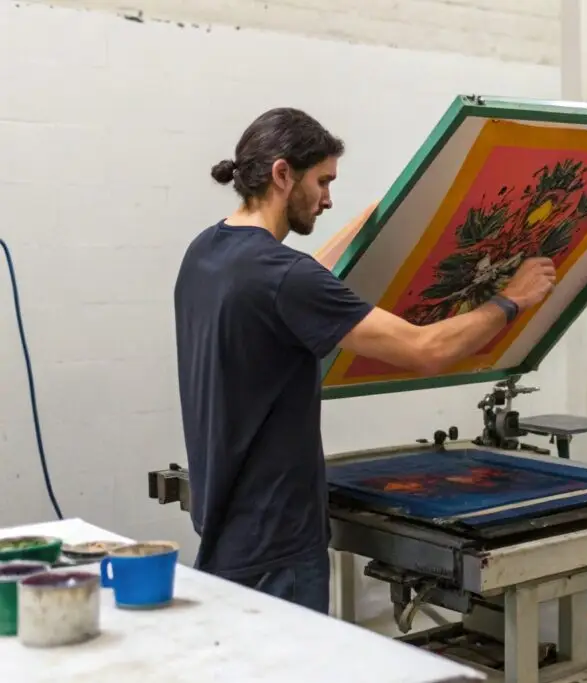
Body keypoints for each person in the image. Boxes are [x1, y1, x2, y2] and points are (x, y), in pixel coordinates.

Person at [173, 107, 556, 614]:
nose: (329, 199)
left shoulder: (207, 252)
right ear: (283, 174)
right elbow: (426, 350)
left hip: (225, 525)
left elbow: (298, 280)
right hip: (277, 542)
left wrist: (375, 226)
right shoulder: (285, 277)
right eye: (323, 181)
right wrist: (512, 299)